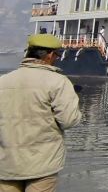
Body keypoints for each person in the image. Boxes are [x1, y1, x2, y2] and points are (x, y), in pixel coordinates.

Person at [0, 34, 82, 191]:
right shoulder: (58, 81)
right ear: (50, 55)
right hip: (42, 164)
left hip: (6, 164)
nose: (57, 58)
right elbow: (69, 120)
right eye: (57, 55)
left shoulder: (3, 81)